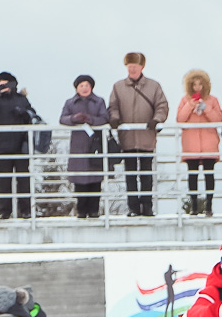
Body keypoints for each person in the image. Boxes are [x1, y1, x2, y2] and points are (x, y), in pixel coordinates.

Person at [108, 52, 167, 216]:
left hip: (147, 137)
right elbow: (113, 106)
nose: (132, 69)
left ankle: (147, 206)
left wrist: (156, 120)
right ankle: (133, 207)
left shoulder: (154, 86)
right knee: (131, 174)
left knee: (146, 173)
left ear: (142, 67)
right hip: (127, 138)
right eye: (129, 66)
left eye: (135, 66)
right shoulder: (118, 87)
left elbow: (162, 105)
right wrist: (115, 119)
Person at [0, 73, 36, 219]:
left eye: (5, 84)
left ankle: (26, 210)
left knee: (23, 180)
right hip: (2, 145)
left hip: (21, 145)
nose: (2, 86)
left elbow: (33, 115)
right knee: (4, 180)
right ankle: (4, 211)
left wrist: (23, 113)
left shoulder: (21, 99)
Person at [60, 75, 109, 218]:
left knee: (95, 180)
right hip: (78, 146)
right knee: (79, 181)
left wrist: (91, 120)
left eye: (87, 85)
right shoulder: (70, 102)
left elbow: (105, 118)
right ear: (76, 88)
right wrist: (74, 119)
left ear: (91, 87)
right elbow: (63, 118)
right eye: (81, 85)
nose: (84, 88)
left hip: (95, 145)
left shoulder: (99, 101)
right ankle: (81, 211)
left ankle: (94, 210)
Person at [177, 68, 222, 216]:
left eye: (200, 84)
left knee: (209, 175)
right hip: (191, 145)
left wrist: (206, 108)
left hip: (209, 143)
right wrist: (191, 105)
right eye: (194, 84)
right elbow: (180, 119)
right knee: (193, 175)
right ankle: (194, 206)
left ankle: (209, 205)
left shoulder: (212, 100)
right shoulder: (185, 100)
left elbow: (218, 120)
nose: (197, 88)